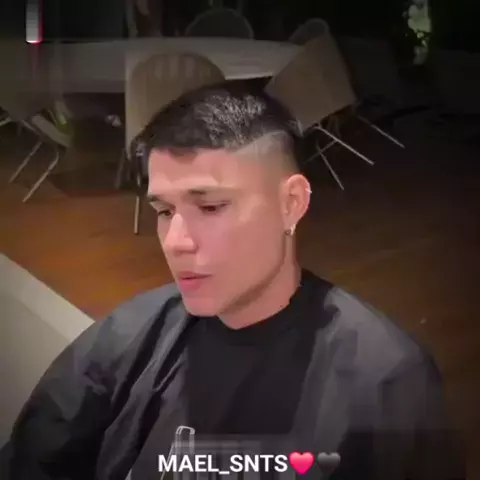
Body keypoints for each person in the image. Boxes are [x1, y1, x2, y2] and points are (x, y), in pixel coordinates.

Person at [3, 83, 465, 480]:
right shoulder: (127, 340)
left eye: (210, 207)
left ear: (291, 204)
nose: (175, 242)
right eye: (164, 211)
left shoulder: (385, 380)